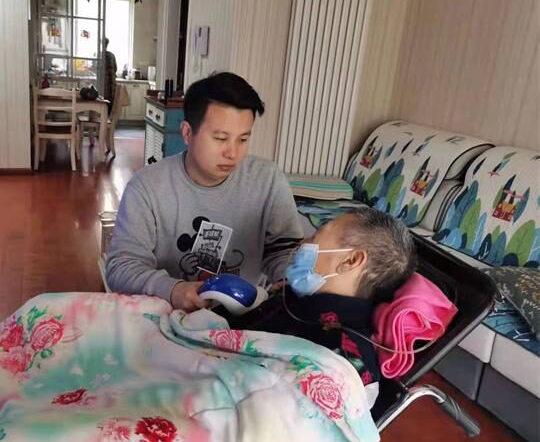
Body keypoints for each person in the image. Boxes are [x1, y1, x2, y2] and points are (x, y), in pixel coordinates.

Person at [106, 72, 304, 312]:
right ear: (187, 133)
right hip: (170, 313)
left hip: (248, 315)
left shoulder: (267, 179)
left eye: (243, 139)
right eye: (220, 138)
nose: (232, 153)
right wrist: (173, 290)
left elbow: (283, 251)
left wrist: (288, 278)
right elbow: (121, 267)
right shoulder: (146, 187)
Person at [228, 208, 416, 384]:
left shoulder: (339, 359)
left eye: (315, 236)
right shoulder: (295, 299)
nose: (302, 243)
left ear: (350, 260)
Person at [103, 38, 117, 112]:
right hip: (112, 84)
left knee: (101, 103)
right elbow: (115, 69)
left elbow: (94, 69)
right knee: (110, 103)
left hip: (104, 85)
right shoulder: (112, 55)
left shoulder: (98, 54)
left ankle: (103, 118)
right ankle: (108, 117)